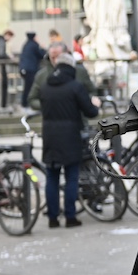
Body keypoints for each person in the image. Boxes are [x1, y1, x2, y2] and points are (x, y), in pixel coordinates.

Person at [38, 52, 99, 229]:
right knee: (71, 177)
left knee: (52, 177)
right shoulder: (75, 86)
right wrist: (95, 105)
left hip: (50, 136)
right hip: (70, 136)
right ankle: (70, 217)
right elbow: (90, 111)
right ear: (71, 67)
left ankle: (53, 218)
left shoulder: (45, 87)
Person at [18, 31, 46, 109]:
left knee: (27, 86)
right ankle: (26, 103)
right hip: (31, 69)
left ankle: (24, 103)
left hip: (24, 69)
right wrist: (43, 48)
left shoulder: (26, 44)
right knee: (30, 87)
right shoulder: (34, 45)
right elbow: (41, 54)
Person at [0, 29, 14, 108]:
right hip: (0, 68)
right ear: (7, 35)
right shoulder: (1, 42)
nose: (10, 39)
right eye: (10, 37)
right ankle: (3, 104)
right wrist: (9, 58)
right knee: (3, 86)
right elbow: (1, 54)